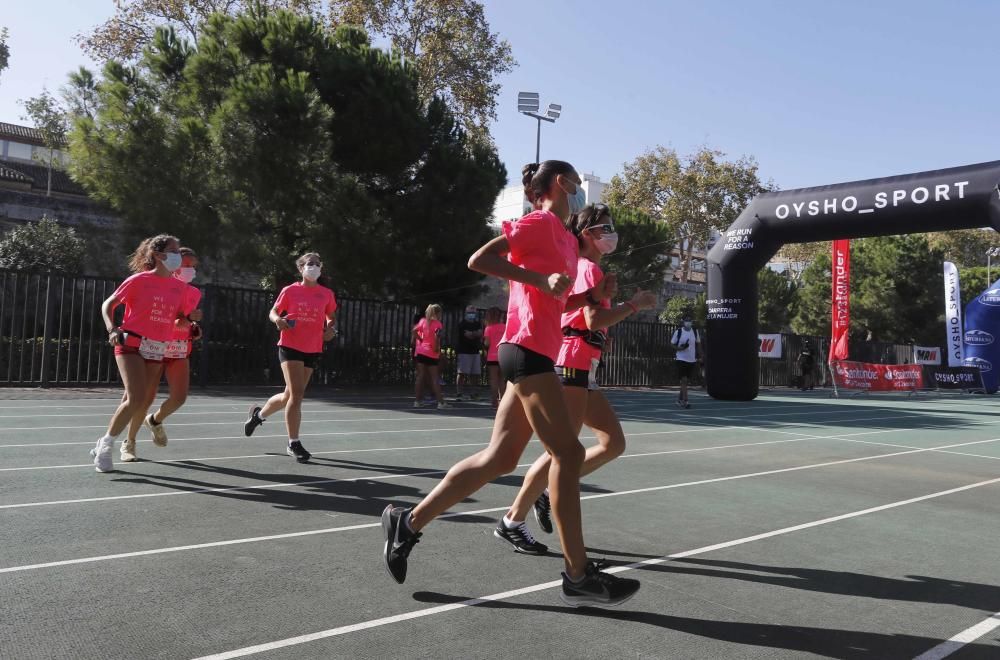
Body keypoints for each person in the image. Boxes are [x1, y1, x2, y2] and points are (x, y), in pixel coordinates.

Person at [381, 160, 640, 607]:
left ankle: (407, 522)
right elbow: (480, 259)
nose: (580, 191)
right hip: (526, 350)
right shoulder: (539, 222)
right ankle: (578, 575)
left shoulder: (562, 235)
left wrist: (589, 296)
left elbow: (555, 299)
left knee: (498, 459)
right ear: (561, 184)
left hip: (534, 349)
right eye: (577, 184)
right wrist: (542, 278)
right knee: (569, 452)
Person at [496, 203, 657, 553]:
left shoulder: (590, 268)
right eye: (604, 227)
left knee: (612, 443)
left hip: (583, 365)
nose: (611, 232)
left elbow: (585, 319)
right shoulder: (587, 269)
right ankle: (514, 519)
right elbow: (590, 319)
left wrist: (604, 331)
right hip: (571, 365)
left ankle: (539, 497)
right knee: (562, 451)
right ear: (587, 234)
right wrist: (635, 306)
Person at [92, 235, 188, 473]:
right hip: (130, 343)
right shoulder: (139, 280)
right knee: (136, 397)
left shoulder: (179, 288)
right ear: (158, 255)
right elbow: (108, 304)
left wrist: (189, 323)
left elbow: (175, 319)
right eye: (174, 250)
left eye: (179, 250)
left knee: (139, 400)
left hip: (157, 346)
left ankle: (111, 441)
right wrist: (111, 328)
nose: (179, 255)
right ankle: (107, 445)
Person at [243, 252, 337, 463]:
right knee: (297, 395)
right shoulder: (290, 290)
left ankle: (257, 416)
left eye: (317, 264)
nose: (314, 267)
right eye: (309, 264)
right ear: (301, 268)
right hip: (290, 345)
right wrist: (278, 320)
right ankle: (293, 443)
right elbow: (273, 311)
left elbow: (331, 316)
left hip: (313, 347)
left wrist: (331, 328)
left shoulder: (326, 294)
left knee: (288, 396)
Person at [119, 247, 204, 462]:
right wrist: (184, 320)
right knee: (142, 397)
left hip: (179, 347)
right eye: (186, 265)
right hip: (154, 344)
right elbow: (165, 318)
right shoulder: (155, 284)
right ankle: (129, 442)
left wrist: (192, 325)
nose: (190, 270)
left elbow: (183, 320)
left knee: (179, 397)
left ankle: (155, 420)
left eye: (193, 267)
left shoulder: (194, 292)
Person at [412, 304, 449, 409]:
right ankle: (441, 402)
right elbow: (437, 337)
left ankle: (417, 401)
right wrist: (436, 348)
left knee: (420, 376)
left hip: (421, 351)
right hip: (431, 353)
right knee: (434, 378)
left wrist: (421, 340)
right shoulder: (438, 324)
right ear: (437, 313)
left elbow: (414, 331)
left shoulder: (423, 321)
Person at [455, 305, 483, 400]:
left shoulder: (478, 323)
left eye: (473, 313)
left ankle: (473, 394)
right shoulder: (462, 324)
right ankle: (459, 393)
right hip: (464, 351)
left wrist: (472, 333)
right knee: (462, 373)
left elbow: (480, 333)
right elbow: (468, 335)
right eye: (470, 313)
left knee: (475, 374)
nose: (472, 314)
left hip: (475, 351)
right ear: (466, 313)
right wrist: (475, 334)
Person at [671, 314, 700, 408]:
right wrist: (680, 348)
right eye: (687, 320)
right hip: (681, 358)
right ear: (683, 322)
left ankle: (679, 400)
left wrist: (701, 355)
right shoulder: (678, 332)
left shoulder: (695, 331)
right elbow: (672, 344)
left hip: (691, 359)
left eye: (690, 320)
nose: (688, 322)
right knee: (683, 380)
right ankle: (686, 401)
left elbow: (698, 344)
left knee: (685, 381)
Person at [482, 306, 505, 408]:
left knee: (493, 380)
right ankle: (503, 400)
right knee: (502, 380)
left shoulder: (488, 328)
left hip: (492, 356)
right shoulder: (505, 327)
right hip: (503, 356)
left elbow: (487, 343)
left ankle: (494, 401)